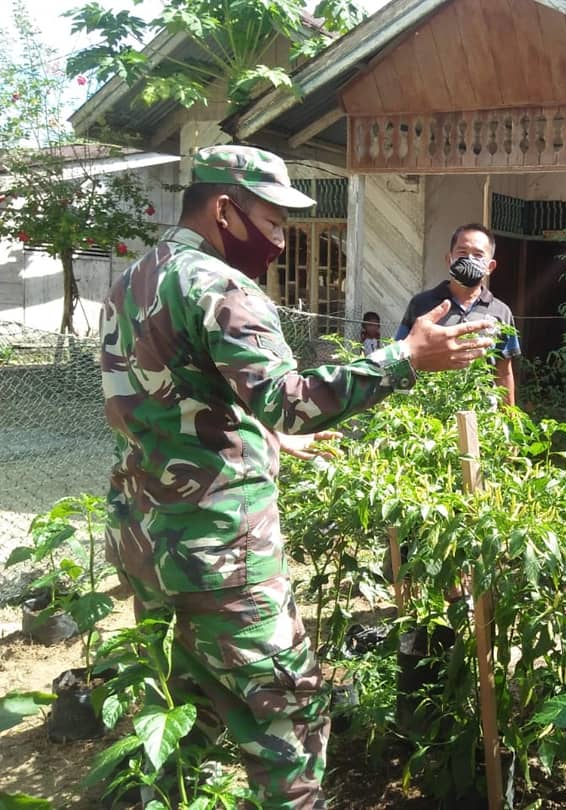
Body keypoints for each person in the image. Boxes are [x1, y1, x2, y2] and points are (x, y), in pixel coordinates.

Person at [99, 144, 494, 810]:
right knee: (292, 718)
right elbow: (290, 395)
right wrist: (405, 358)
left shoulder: (133, 279)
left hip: (147, 542)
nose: (282, 238)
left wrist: (268, 437)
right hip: (223, 555)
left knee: (179, 716)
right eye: (273, 219)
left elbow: (163, 400)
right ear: (225, 209)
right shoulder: (223, 287)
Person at [396, 223, 520, 405]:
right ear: (449, 259)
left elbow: (504, 372)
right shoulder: (422, 304)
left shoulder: (501, 312)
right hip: (429, 413)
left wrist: (509, 420)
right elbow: (400, 355)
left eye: (478, 255)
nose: (469, 259)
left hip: (481, 413)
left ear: (490, 267)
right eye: (462, 253)